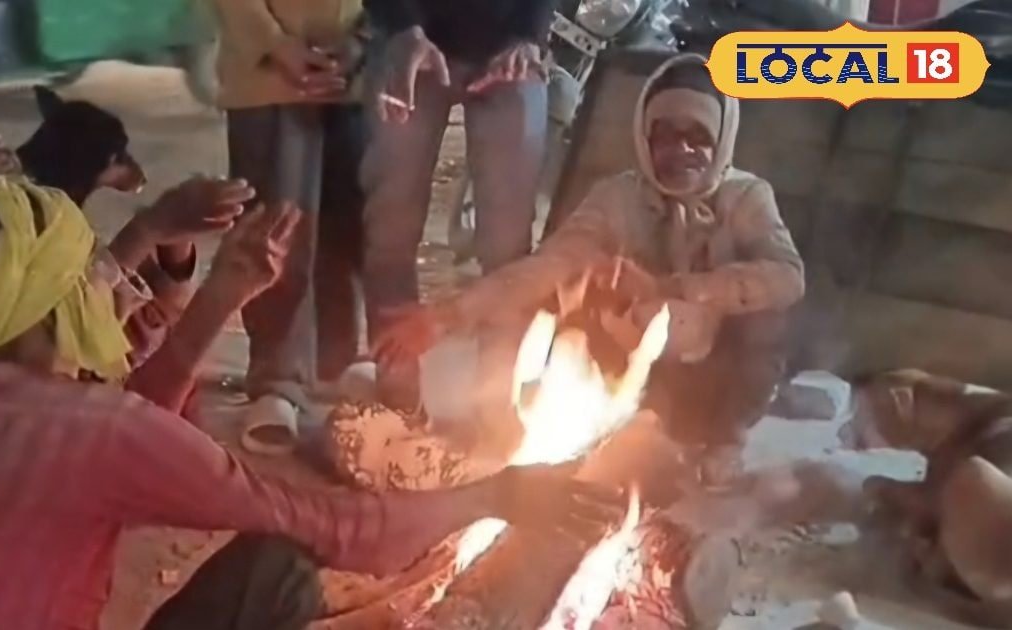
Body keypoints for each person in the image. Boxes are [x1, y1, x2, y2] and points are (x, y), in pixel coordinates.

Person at [0, 175, 618, 630]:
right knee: (273, 571)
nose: (105, 286)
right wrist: (498, 495)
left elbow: (119, 440)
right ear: (51, 305)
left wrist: (222, 293)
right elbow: (342, 530)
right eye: (85, 274)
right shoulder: (91, 430)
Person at [376, 55, 806, 483]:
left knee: (765, 315)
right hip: (643, 365)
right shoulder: (616, 199)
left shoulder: (746, 197)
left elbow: (788, 277)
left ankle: (725, 438)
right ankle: (623, 433)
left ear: (721, 138)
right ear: (645, 137)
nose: (682, 150)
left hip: (720, 365)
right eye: (666, 135)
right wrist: (448, 315)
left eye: (698, 136)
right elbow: (547, 267)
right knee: (578, 295)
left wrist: (674, 287)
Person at [0, 81, 248, 477]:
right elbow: (77, 324)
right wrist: (152, 232)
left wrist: (171, 242)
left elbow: (98, 311)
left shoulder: (23, 228)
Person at [361, 0, 555, 415]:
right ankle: (397, 383)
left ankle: (498, 392)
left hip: (508, 47)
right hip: (409, 41)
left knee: (508, 242)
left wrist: (529, 35)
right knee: (391, 223)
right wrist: (402, 27)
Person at [209, 0, 369, 452]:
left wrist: (364, 40)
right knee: (280, 226)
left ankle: (337, 363)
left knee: (350, 227)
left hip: (359, 71)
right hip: (267, 74)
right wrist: (273, 42)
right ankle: (277, 380)